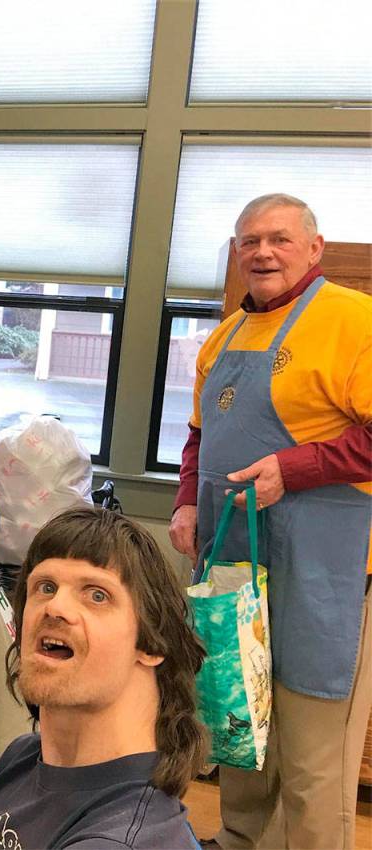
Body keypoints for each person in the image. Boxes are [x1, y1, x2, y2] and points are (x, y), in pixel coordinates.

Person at [168, 194, 372, 849]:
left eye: (279, 239)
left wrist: (298, 467)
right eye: (250, 240)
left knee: (313, 748)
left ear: (314, 248)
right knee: (239, 720)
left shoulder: (354, 320)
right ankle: (239, 837)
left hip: (324, 569)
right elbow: (200, 434)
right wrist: (187, 503)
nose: (263, 252)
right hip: (233, 558)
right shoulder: (225, 337)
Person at [0, 507, 207, 849]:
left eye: (96, 595)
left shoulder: (121, 840)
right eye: (45, 587)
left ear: (152, 643)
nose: (55, 607)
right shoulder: (22, 759)